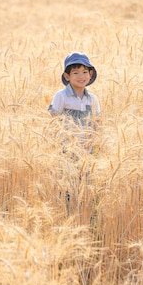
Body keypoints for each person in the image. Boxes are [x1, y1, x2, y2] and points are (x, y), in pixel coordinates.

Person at [48, 52, 101, 215]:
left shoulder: (92, 99)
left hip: (86, 148)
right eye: (76, 73)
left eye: (85, 72)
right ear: (67, 76)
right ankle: (66, 212)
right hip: (66, 148)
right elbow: (53, 118)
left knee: (84, 182)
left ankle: (82, 213)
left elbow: (96, 123)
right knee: (67, 183)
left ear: (90, 75)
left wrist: (94, 143)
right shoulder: (61, 96)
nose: (81, 76)